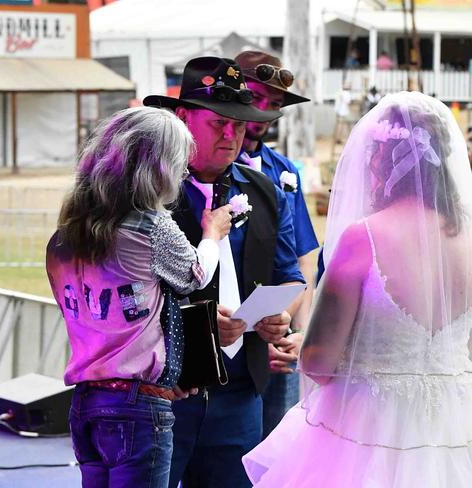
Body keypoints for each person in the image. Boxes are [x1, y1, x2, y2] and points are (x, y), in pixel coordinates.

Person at [243, 93, 472, 487]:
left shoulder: (363, 237)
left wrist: (327, 348)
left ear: (384, 161)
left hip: (369, 427)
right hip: (463, 426)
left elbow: (318, 362)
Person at [46, 106, 234, 487]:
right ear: (159, 167)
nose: (184, 173)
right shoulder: (152, 225)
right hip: (136, 405)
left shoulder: (63, 239)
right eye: (180, 163)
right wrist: (212, 234)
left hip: (86, 401)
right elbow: (194, 276)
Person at [143, 56, 305, 488]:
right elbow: (123, 288)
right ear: (182, 118)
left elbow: (288, 273)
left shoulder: (264, 191)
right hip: (165, 390)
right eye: (219, 122)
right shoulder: (147, 193)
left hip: (239, 391)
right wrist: (186, 324)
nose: (232, 134)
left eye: (240, 121)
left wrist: (278, 315)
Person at [234, 50, 319, 437]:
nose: (266, 112)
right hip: (225, 334)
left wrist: (295, 333)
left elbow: (304, 260)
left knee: (274, 452)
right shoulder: (206, 168)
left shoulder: (285, 172)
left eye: (276, 104)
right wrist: (250, 336)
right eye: (257, 98)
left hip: (277, 333)